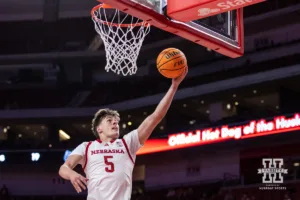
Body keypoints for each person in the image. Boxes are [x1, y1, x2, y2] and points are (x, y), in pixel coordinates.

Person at [58, 68, 188, 200]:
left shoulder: (127, 143)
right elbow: (64, 168)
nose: (115, 123)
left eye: (116, 121)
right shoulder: (86, 147)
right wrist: (72, 174)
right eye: (109, 121)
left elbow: (155, 117)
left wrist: (173, 87)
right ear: (99, 129)